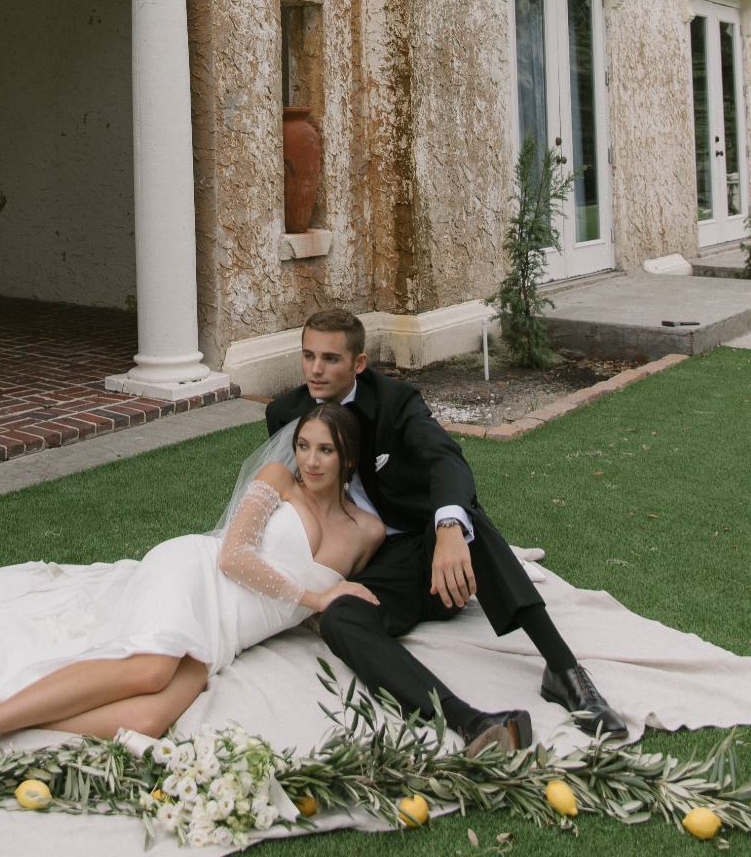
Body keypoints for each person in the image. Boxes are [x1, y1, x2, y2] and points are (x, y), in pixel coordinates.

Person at [0, 404, 385, 769]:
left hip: (232, 634)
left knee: (147, 719)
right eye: (304, 445)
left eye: (325, 450)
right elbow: (232, 554)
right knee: (147, 671)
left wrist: (321, 608)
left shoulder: (367, 533)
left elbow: (314, 596)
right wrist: (317, 598)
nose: (310, 459)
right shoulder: (278, 478)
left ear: (348, 459)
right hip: (196, 577)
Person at [266, 309, 628, 755]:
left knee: (470, 520)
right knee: (339, 617)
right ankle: (469, 721)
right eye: (308, 356)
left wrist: (450, 529)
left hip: (432, 554)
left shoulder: (396, 400)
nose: (316, 370)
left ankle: (564, 670)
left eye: (330, 359)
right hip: (372, 568)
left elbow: (444, 458)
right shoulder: (285, 414)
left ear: (359, 363)